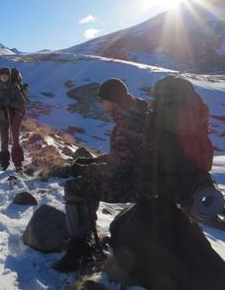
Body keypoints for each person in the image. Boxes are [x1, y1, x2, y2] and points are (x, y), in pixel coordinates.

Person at [53, 78, 153, 272]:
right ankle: (86, 236)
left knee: (75, 188)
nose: (101, 104)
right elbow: (122, 155)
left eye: (102, 100)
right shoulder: (137, 114)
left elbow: (117, 168)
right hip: (146, 177)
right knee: (90, 180)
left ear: (112, 101)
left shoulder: (127, 124)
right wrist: (91, 162)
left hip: (139, 184)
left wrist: (81, 170)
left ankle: (79, 249)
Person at [0, 67, 27, 171]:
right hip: (2, 117)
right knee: (4, 141)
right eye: (2, 74)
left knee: (15, 139)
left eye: (6, 74)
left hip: (15, 116)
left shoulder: (15, 86)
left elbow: (22, 103)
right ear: (0, 75)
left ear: (9, 75)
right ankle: (4, 163)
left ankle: (18, 163)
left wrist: (10, 102)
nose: (4, 76)